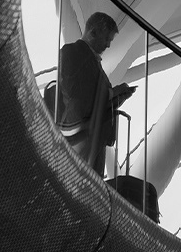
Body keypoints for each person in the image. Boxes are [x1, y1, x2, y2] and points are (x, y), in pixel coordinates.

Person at [52, 11, 135, 176]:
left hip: (94, 137)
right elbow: (75, 95)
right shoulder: (72, 52)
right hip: (80, 137)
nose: (108, 45)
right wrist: (112, 93)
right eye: (107, 39)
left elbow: (95, 98)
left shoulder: (92, 62)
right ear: (93, 33)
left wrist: (117, 96)